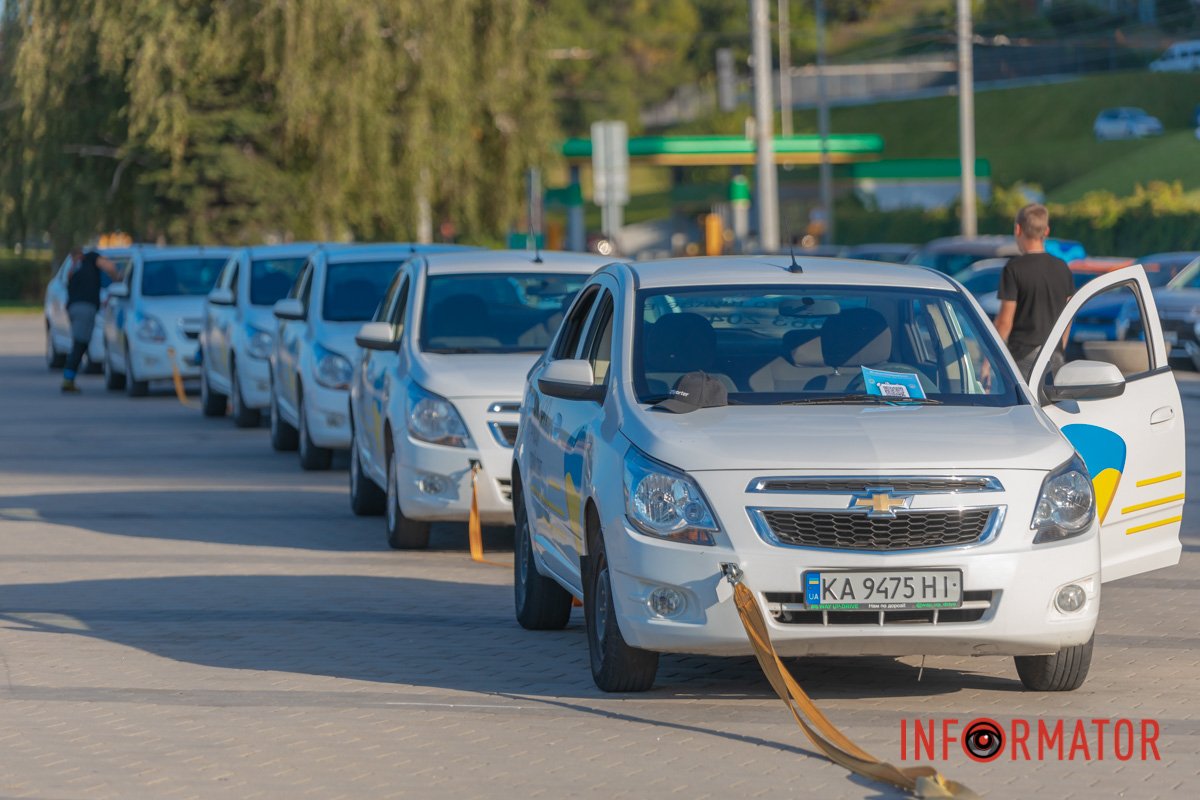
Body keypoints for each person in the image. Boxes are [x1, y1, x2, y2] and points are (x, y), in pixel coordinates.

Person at [993, 203, 1074, 382]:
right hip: (1055, 356)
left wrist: (988, 362)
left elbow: (1004, 322)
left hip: (1022, 357)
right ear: (1046, 231)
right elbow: (1068, 315)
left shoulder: (1013, 269)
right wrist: (1059, 347)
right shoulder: (1062, 267)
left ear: (1018, 229)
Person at [61, 247, 121, 393]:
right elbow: (109, 266)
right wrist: (118, 278)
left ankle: (71, 376)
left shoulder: (73, 269)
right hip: (85, 308)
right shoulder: (91, 258)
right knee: (80, 343)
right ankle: (68, 379)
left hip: (73, 308)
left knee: (80, 342)